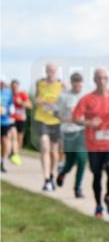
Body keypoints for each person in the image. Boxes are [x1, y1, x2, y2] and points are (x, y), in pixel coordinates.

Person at [72, 68, 109, 217]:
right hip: (94, 144)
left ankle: (108, 196)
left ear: (107, 80)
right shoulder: (87, 99)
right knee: (97, 176)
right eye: (99, 78)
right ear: (94, 80)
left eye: (104, 78)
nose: (102, 81)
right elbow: (75, 118)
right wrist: (89, 123)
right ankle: (98, 206)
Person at [55, 72, 87, 198]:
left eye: (80, 83)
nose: (78, 85)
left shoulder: (85, 96)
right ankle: (63, 173)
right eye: (76, 82)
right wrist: (63, 119)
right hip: (68, 132)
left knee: (81, 159)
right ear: (72, 83)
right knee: (70, 162)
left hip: (82, 130)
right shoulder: (64, 97)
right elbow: (56, 112)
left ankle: (77, 187)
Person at [33, 63, 63, 191]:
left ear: (56, 71)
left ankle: (51, 176)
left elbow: (64, 102)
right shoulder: (40, 83)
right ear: (46, 71)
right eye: (49, 70)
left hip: (55, 121)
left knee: (54, 153)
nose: (51, 72)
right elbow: (35, 98)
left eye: (53, 70)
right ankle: (46, 180)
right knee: (45, 147)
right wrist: (38, 101)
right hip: (42, 119)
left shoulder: (61, 85)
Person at [9, 78, 29, 165]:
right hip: (11, 119)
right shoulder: (8, 95)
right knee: (13, 135)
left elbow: (30, 105)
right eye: (13, 87)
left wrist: (21, 102)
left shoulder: (22, 94)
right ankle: (13, 152)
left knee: (19, 138)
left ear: (18, 87)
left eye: (16, 87)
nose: (14, 89)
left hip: (21, 119)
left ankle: (16, 153)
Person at [1, 80, 14, 173]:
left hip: (5, 121)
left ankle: (2, 162)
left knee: (4, 142)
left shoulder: (8, 93)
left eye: (2, 83)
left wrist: (10, 110)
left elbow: (11, 105)